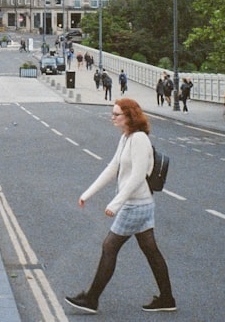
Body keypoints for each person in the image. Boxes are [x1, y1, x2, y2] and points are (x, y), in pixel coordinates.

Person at [65, 98, 176, 314]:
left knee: (109, 247)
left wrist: (116, 204)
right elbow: (112, 167)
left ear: (130, 116)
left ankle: (91, 299)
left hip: (135, 205)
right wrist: (87, 194)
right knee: (151, 251)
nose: (112, 117)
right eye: (113, 113)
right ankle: (167, 298)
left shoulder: (140, 140)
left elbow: (137, 177)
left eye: (117, 114)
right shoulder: (126, 138)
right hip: (140, 204)